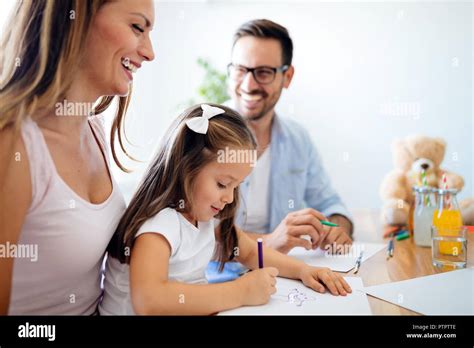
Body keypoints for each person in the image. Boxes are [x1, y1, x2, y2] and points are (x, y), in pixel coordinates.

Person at [100, 104, 351, 315]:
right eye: (222, 184)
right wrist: (240, 292)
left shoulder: (207, 218)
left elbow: (252, 252)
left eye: (237, 186)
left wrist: (304, 270)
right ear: (186, 168)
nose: (230, 198)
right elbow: (150, 301)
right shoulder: (159, 226)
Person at [0, 0, 155, 314]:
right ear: (75, 18)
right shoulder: (12, 144)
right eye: (137, 27)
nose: (149, 52)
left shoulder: (93, 130)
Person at [207, 19, 354, 282]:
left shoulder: (297, 139)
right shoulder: (202, 135)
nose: (249, 85)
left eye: (263, 72)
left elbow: (332, 204)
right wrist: (269, 242)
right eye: (241, 69)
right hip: (213, 284)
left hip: (282, 279)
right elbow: (195, 235)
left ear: (287, 77)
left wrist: (338, 228)